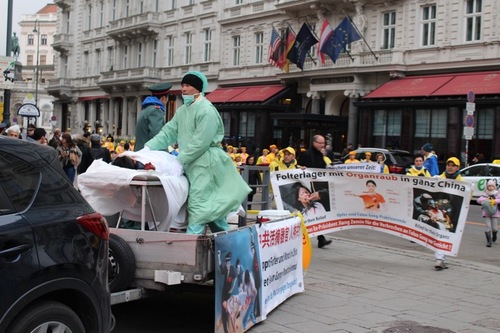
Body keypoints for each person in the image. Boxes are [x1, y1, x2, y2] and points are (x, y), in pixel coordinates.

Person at [143, 71, 251, 234]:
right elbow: (168, 132)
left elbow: (201, 142)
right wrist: (148, 147)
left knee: (199, 207)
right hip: (193, 164)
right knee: (212, 210)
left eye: (187, 85)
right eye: (183, 85)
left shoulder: (206, 110)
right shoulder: (183, 110)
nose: (183, 89)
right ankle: (232, 247)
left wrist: (180, 159)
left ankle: (190, 249)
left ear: (198, 89)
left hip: (206, 163)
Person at [297, 134, 332, 248]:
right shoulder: (306, 154)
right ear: (314, 143)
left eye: (324, 143)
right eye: (321, 143)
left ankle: (320, 238)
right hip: (307, 187)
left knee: (317, 213)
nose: (323, 145)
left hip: (318, 187)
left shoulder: (322, 155)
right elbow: (297, 167)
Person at [434, 156, 463, 270]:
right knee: (441, 233)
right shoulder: (438, 179)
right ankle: (439, 259)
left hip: (453, 213)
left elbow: (466, 199)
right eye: (448, 165)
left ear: (457, 167)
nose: (450, 168)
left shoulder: (462, 183)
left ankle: (442, 258)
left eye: (453, 165)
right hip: (440, 212)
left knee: (449, 235)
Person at [134, 82, 172, 151]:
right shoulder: (156, 111)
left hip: (142, 155)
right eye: (167, 98)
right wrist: (166, 154)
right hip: (149, 157)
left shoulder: (147, 109)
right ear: (163, 98)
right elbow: (158, 138)